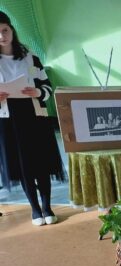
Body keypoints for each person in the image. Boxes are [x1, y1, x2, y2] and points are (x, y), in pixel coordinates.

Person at [0, 11, 65, 226]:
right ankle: (35, 210)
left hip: (34, 115)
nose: (1, 36)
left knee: (41, 163)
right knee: (24, 167)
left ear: (12, 30)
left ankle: (47, 207)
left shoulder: (30, 57)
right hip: (9, 120)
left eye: (5, 30)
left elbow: (47, 86)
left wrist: (38, 92)